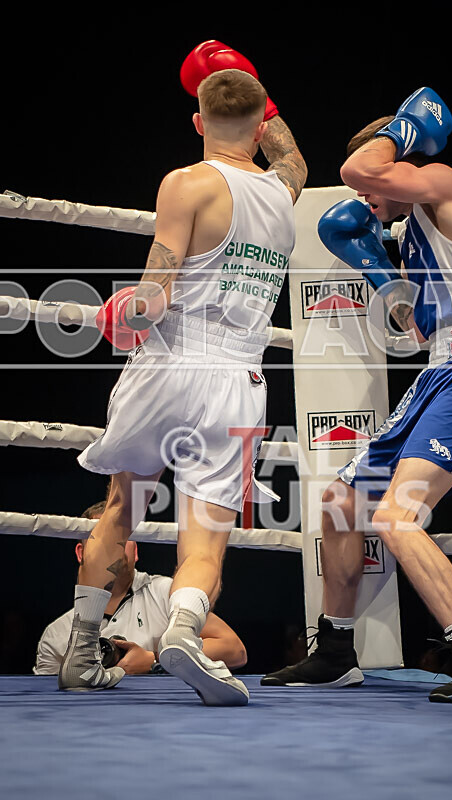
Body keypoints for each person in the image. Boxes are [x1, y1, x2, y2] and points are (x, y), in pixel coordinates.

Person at [58, 41, 307, 705]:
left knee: (123, 505)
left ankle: (83, 653)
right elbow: (290, 157)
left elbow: (155, 294)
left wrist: (120, 310)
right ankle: (186, 631)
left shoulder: (184, 183)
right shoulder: (285, 192)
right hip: (233, 378)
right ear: (261, 122)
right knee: (205, 533)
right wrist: (254, 88)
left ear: (197, 122)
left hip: (165, 365)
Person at [262, 87, 452, 704]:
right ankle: (334, 650)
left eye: (373, 188)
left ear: (400, 162)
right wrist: (389, 285)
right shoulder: (414, 231)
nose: (362, 199)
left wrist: (400, 136)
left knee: (395, 515)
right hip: (438, 373)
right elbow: (413, 316)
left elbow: (363, 168)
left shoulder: (447, 182)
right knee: (339, 503)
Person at [35, 501, 247, 675]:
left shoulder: (167, 592)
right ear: (81, 553)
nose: (114, 544)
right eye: (102, 538)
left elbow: (234, 650)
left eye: (123, 536)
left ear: (135, 550)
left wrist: (155, 660)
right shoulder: (56, 635)